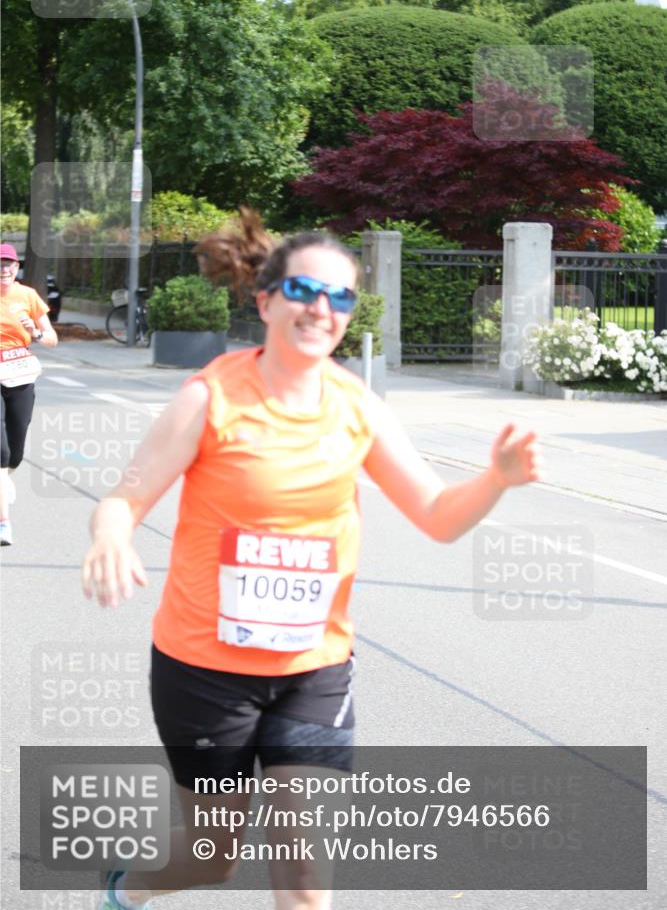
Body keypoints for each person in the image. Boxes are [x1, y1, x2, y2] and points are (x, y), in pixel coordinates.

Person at [82, 210, 542, 910]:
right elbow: (126, 496)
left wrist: (495, 480)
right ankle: (127, 889)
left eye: (341, 298)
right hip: (204, 673)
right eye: (303, 291)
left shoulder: (357, 408)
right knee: (212, 860)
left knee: (303, 879)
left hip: (312, 671)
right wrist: (111, 534)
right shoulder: (210, 398)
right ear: (265, 299)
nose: (321, 310)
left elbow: (437, 517)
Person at [1, 243, 58, 546]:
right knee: (1, 451)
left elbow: (52, 339)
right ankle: (3, 523)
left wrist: (34, 332)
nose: (4, 270)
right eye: (0, 264)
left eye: (9, 264)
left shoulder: (28, 297)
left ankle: (5, 478)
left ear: (17, 268)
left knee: (17, 449)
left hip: (19, 373)